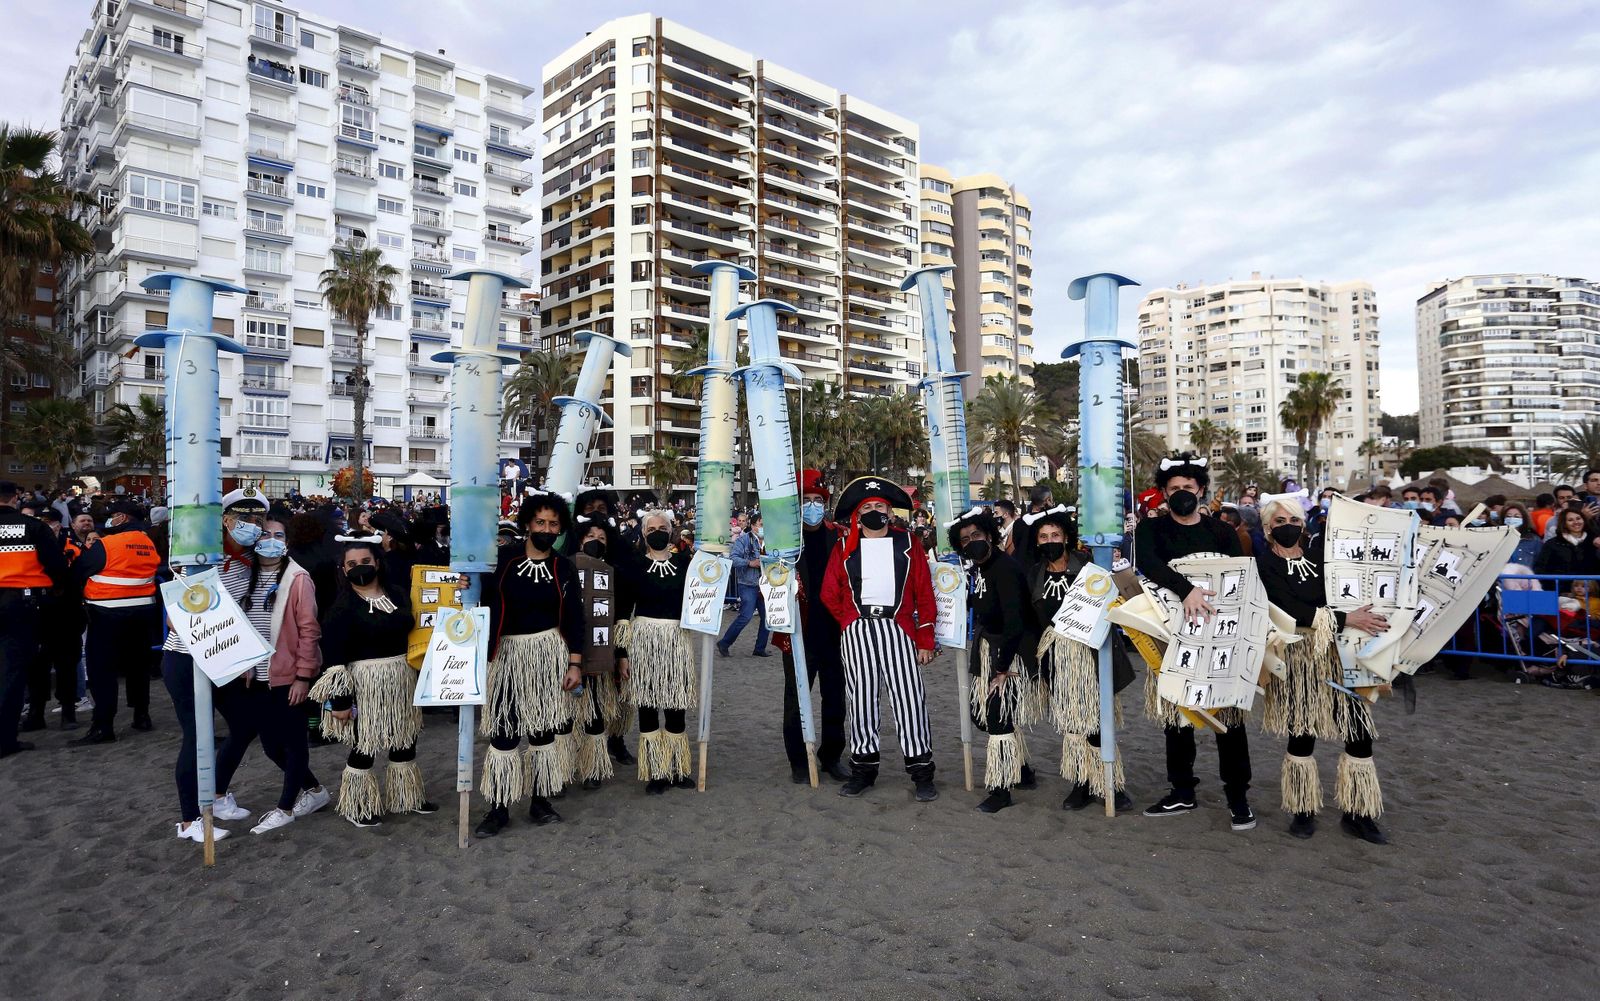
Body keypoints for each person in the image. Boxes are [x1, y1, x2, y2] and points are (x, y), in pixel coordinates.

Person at [1256, 495, 1391, 844]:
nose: (1288, 526)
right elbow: (1283, 608)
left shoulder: (1322, 558)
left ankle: (1359, 812)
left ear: (1304, 524)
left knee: (1358, 730)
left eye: (1294, 520)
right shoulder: (1262, 565)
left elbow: (1344, 593)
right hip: (1297, 658)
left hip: (1339, 655)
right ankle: (1302, 810)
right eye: (1280, 521)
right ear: (1268, 528)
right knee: (1302, 733)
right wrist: (1345, 618)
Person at [1134, 456, 1256, 831]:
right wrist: (1186, 590)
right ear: (1164, 494)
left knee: (1229, 718)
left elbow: (1240, 575)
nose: (1181, 494)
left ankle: (1238, 796)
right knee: (1177, 717)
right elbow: (1150, 566)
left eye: (1188, 488)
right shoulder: (1150, 530)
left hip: (1221, 633)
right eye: (1174, 490)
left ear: (1200, 490)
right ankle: (1182, 790)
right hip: (1171, 631)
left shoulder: (1222, 532)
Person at [160, 487, 271, 842]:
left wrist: (244, 658)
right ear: (225, 520)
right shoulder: (198, 556)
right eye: (245, 519)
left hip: (227, 659)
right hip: (185, 659)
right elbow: (178, 618)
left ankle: (219, 793)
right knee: (198, 736)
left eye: (258, 519)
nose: (253, 525)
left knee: (245, 724)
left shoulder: (253, 560)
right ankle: (190, 819)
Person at [473, 492, 586, 836]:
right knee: (504, 735)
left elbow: (575, 617)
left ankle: (540, 802)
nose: (547, 529)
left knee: (542, 734)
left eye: (553, 524)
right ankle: (499, 808)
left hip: (548, 655)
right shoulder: (502, 559)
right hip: (506, 655)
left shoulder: (564, 566)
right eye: (540, 522)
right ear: (526, 524)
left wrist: (574, 664)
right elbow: (475, 595)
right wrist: (466, 583)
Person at [821, 477, 939, 802]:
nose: (875, 511)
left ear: (889, 510)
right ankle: (863, 769)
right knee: (861, 700)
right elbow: (830, 592)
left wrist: (925, 637)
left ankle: (921, 771)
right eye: (867, 507)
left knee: (909, 698)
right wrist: (849, 622)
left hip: (897, 627)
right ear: (858, 515)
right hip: (858, 630)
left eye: (880, 506)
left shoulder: (908, 543)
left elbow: (923, 591)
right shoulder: (845, 547)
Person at [310, 536, 436, 828]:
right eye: (352, 564)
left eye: (365, 562)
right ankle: (359, 805)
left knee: (404, 739)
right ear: (343, 570)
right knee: (364, 745)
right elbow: (334, 659)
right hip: (364, 683)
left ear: (377, 563)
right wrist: (340, 702)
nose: (359, 568)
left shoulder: (399, 595)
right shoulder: (340, 608)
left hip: (402, 678)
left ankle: (407, 797)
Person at [222, 514, 331, 835]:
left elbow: (310, 631)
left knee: (295, 741)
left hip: (288, 675)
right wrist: (243, 662)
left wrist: (302, 676)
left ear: (287, 542)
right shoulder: (249, 575)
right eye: (266, 534)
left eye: (279, 535)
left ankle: (285, 808)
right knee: (271, 746)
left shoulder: (298, 578)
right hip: (256, 676)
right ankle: (314, 791)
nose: (272, 540)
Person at [1025, 506, 1134, 812]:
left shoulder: (1089, 566)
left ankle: (1110, 783)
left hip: (1092, 653)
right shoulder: (1034, 574)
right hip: (1058, 656)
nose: (1049, 541)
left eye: (1055, 535)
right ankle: (1082, 783)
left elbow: (1118, 595)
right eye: (1043, 536)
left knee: (1099, 722)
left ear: (1066, 537)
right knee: (1072, 723)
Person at [951, 507, 1041, 813]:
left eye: (976, 535)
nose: (971, 541)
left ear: (990, 534)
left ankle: (1001, 790)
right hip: (989, 649)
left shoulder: (1005, 568)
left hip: (1010, 654)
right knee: (984, 716)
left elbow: (1015, 622)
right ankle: (1024, 772)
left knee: (998, 718)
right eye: (964, 539)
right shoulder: (981, 569)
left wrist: (1002, 669)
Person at [616, 509, 698, 793]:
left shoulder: (685, 563)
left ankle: (676, 769)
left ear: (672, 529)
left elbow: (702, 594)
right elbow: (624, 612)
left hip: (676, 640)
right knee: (648, 709)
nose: (657, 532)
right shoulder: (634, 565)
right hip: (644, 641)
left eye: (662, 527)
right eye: (651, 529)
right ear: (643, 534)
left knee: (676, 707)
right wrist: (622, 654)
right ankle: (656, 772)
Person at [70, 499, 163, 744]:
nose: (108, 520)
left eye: (112, 515)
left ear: (122, 518)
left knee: (103, 671)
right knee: (138, 667)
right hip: (143, 613)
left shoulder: (107, 544)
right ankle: (141, 715)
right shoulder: (147, 542)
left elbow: (80, 570)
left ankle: (103, 726)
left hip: (106, 614)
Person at [781, 470, 849, 783]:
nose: (812, 506)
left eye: (817, 501)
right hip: (799, 631)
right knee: (797, 698)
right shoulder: (786, 542)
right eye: (805, 501)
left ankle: (832, 756)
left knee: (835, 698)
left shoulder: (841, 537)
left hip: (835, 632)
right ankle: (798, 760)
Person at [0, 482, 70, 758]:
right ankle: (5, 739)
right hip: (20, 602)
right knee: (12, 672)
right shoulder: (32, 527)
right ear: (16, 498)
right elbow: (56, 565)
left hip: (16, 601)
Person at [566, 513, 627, 790]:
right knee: (566, 716)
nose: (596, 542)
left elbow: (621, 617)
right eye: (591, 537)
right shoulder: (565, 567)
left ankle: (592, 768)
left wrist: (621, 654)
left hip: (601, 654)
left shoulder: (614, 572)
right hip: (569, 654)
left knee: (595, 713)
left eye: (602, 538)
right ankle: (565, 767)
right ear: (580, 539)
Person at [24, 508, 83, 732]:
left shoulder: (72, 548)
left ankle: (68, 712)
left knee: (66, 664)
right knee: (36, 667)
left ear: (59, 524)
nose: (46, 526)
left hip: (66, 613)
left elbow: (80, 576)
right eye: (41, 522)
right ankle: (36, 713)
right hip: (37, 613)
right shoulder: (28, 546)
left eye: (50, 522)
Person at [718, 512, 769, 658]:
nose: (763, 527)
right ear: (753, 526)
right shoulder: (743, 540)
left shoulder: (770, 541)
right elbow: (733, 558)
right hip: (748, 583)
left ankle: (760, 648)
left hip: (765, 583)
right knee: (746, 616)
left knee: (767, 617)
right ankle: (724, 643)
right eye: (761, 524)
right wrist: (750, 563)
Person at [1534, 509, 1598, 592]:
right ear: (1564, 523)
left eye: (1578, 518)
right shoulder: (1552, 544)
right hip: (1562, 593)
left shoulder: (1594, 542)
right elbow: (1541, 569)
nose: (1576, 522)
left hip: (1591, 595)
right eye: (1570, 520)